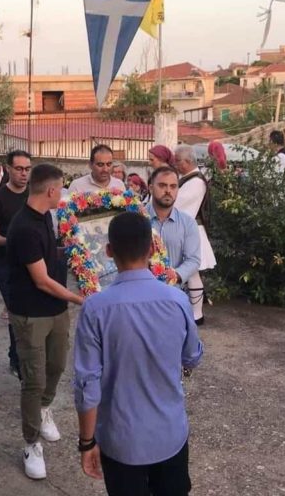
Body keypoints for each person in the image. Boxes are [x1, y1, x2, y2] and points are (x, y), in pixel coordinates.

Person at [74, 212, 203, 496]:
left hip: (120, 440)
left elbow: (87, 386)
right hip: (170, 434)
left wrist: (87, 442)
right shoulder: (178, 300)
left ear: (109, 251)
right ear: (153, 248)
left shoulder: (95, 308)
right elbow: (192, 356)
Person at [6, 163, 83, 480]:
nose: (61, 194)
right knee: (33, 380)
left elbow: (50, 256)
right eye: (61, 188)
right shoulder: (24, 226)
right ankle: (31, 442)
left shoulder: (45, 217)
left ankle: (44, 408)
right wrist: (79, 298)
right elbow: (41, 280)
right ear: (51, 190)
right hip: (31, 314)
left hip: (55, 310)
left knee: (57, 365)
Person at [0, 150, 32, 377]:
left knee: (29, 309)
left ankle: (23, 354)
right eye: (19, 169)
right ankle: (17, 359)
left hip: (31, 261)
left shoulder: (33, 194)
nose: (24, 174)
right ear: (9, 169)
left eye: (27, 169)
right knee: (15, 308)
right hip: (5, 263)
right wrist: (11, 241)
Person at [174, 145, 216, 325]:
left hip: (191, 230)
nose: (175, 164)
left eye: (178, 161)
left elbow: (178, 206)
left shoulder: (196, 181)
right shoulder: (188, 179)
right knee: (190, 273)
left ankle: (197, 314)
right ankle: (195, 313)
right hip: (187, 228)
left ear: (188, 161)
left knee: (191, 272)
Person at [145, 166, 201, 286]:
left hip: (173, 291)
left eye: (173, 186)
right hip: (141, 290)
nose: (168, 191)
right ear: (151, 188)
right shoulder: (136, 219)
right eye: (162, 185)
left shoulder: (188, 223)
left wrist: (174, 276)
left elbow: (193, 259)